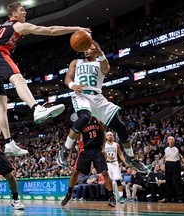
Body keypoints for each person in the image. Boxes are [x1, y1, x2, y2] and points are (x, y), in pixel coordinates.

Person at [0, 2, 90, 157]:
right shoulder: (17, 26)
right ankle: (36, 108)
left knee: (1, 105)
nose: (25, 12)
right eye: (21, 10)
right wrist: (76, 28)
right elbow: (50, 30)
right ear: (13, 15)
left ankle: (8, 143)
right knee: (19, 81)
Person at [57, 40, 148, 174]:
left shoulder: (100, 63)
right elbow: (67, 79)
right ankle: (65, 150)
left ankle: (131, 158)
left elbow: (106, 68)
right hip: (81, 95)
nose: (86, 50)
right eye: (84, 48)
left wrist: (99, 51)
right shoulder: (76, 62)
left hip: (98, 98)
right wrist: (72, 86)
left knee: (121, 126)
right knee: (84, 117)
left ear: (95, 49)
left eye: (89, 47)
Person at [61, 116, 116, 207]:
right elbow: (74, 140)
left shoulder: (98, 119)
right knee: (75, 172)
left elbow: (102, 134)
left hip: (97, 150)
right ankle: (69, 194)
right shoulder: (80, 123)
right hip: (85, 150)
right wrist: (70, 155)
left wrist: (103, 147)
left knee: (105, 172)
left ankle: (111, 197)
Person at [105, 131, 128, 203]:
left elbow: (120, 154)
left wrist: (125, 162)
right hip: (107, 164)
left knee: (118, 180)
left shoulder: (116, 145)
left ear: (113, 136)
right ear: (106, 137)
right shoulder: (104, 145)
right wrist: (107, 157)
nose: (109, 136)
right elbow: (101, 154)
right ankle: (113, 195)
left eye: (111, 135)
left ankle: (121, 197)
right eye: (108, 135)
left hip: (115, 163)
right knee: (109, 181)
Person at [161, 136, 183, 203]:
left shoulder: (177, 148)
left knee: (177, 181)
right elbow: (163, 158)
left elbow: (182, 157)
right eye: (169, 139)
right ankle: (168, 198)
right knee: (168, 181)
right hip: (168, 164)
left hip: (176, 164)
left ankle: (179, 197)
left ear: (174, 141)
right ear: (167, 141)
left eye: (172, 139)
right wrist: (162, 165)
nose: (171, 141)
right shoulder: (165, 148)